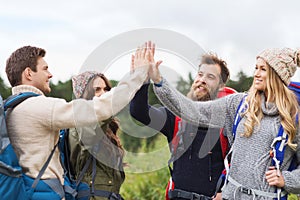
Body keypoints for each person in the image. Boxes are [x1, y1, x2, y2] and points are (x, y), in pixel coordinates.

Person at [146, 47, 300, 199]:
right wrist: (159, 81)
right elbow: (192, 110)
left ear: (277, 75)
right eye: (256, 68)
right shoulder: (238, 104)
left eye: (263, 69)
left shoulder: (293, 118)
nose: (256, 74)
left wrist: (286, 179)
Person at [4, 42, 152, 198]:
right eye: (45, 69)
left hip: (24, 191)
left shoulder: (10, 108)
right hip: (44, 192)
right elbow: (100, 108)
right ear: (28, 73)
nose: (50, 74)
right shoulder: (40, 107)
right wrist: (136, 76)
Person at [130, 46, 233, 200]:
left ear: (221, 86)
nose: (202, 80)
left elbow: (239, 164)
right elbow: (139, 112)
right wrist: (142, 80)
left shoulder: (229, 120)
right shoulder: (176, 116)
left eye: (210, 77)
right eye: (200, 74)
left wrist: (226, 192)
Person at [68, 71, 125, 200]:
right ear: (83, 95)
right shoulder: (80, 123)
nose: (103, 93)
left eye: (106, 89)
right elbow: (90, 137)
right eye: (97, 89)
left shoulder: (105, 127)